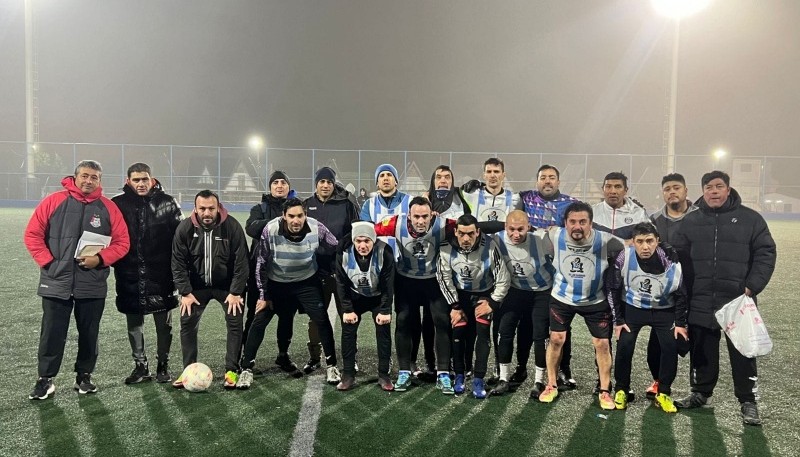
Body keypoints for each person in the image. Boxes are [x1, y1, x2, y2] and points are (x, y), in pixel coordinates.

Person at [672, 171, 776, 426]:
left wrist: (752, 287)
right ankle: (701, 393)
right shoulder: (691, 221)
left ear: (728, 190)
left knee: (743, 352)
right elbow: (678, 256)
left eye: (719, 186)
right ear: (703, 191)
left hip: (738, 300)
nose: (714, 191)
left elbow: (766, 253)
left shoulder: (751, 219)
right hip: (701, 297)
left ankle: (748, 401)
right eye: (709, 187)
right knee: (702, 350)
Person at [25, 160, 130, 400]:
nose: (89, 181)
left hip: (91, 283)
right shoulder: (53, 201)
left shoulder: (108, 208)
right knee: (51, 333)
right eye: (84, 175)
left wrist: (101, 259)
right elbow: (33, 234)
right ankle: (45, 379)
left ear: (99, 181)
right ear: (75, 177)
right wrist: (50, 263)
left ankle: (84, 376)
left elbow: (122, 243)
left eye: (94, 177)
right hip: (56, 281)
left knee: (89, 333)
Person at [237, 198, 341, 389]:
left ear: (305, 215)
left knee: (321, 319)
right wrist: (263, 295)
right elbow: (260, 262)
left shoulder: (317, 227)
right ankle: (246, 368)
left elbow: (337, 246)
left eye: (300, 216)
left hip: (306, 282)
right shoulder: (271, 229)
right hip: (277, 283)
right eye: (291, 216)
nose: (296, 220)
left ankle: (332, 366)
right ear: (284, 216)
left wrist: (334, 267)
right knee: (259, 320)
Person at [537, 202, 623, 411]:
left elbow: (629, 247)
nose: (577, 226)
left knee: (602, 343)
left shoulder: (605, 240)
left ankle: (604, 390)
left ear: (591, 223)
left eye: (583, 222)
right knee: (556, 339)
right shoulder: (554, 235)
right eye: (572, 222)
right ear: (565, 223)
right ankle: (551, 384)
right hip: (562, 298)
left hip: (595, 300)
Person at [373, 197, 457, 394]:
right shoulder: (396, 223)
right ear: (408, 215)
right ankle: (404, 371)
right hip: (406, 280)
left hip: (433, 281)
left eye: (425, 216)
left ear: (432, 215)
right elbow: (369, 231)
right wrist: (346, 242)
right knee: (403, 321)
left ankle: (443, 373)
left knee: (441, 321)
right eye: (416, 216)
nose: (421, 221)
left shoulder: (444, 225)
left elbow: (473, 226)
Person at [112, 162, 183, 385]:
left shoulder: (168, 203)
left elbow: (180, 239)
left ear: (152, 180)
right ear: (128, 181)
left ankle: (163, 364)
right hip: (129, 273)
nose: (141, 184)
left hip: (161, 275)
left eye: (145, 179)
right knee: (134, 323)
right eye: (136, 180)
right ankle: (140, 366)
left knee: (164, 324)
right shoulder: (117, 204)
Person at [605, 222, 688, 413]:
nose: (645, 246)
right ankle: (621, 390)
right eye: (640, 241)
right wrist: (618, 320)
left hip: (663, 309)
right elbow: (612, 287)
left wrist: (680, 323)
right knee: (625, 345)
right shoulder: (624, 256)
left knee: (670, 346)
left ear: (657, 241)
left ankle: (664, 392)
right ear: (632, 242)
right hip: (633, 309)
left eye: (650, 241)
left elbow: (681, 294)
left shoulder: (671, 262)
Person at [171, 190, 249, 390]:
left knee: (234, 323)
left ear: (218, 207)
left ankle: (231, 370)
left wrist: (236, 292)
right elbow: (177, 263)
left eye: (211, 208)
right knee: (187, 324)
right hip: (195, 288)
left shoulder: (231, 226)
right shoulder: (184, 229)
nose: (207, 212)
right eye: (202, 208)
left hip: (227, 288)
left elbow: (242, 263)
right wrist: (185, 292)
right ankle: (188, 370)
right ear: (195, 208)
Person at [515, 164, 578, 389]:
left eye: (552, 177)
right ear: (537, 181)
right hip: (529, 272)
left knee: (560, 326)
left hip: (559, 274)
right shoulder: (524, 197)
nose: (547, 181)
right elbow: (499, 197)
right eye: (543, 177)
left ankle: (564, 369)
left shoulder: (571, 203)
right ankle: (521, 368)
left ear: (558, 182)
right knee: (526, 323)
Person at [438, 214, 511, 399]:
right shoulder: (446, 248)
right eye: (461, 233)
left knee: (482, 333)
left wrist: (492, 303)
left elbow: (503, 278)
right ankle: (460, 376)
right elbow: (443, 277)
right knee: (458, 332)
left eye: (470, 234)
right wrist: (454, 305)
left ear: (478, 232)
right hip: (459, 297)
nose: (465, 238)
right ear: (455, 232)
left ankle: (479, 378)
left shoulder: (490, 246)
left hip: (483, 296)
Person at [642, 173, 698, 398]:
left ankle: (700, 388)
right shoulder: (654, 220)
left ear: (686, 191)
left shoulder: (700, 217)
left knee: (698, 338)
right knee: (660, 340)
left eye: (677, 187)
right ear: (662, 193)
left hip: (697, 288)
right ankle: (659, 381)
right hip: (665, 290)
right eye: (667, 189)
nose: (672, 192)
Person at [302, 167, 360, 375]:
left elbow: (356, 230)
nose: (325, 185)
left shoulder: (346, 203)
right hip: (316, 271)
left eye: (329, 181)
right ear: (315, 184)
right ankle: (314, 357)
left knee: (348, 314)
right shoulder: (307, 205)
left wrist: (342, 250)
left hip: (343, 269)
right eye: (321, 181)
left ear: (334, 184)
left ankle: (350, 358)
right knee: (316, 316)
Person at [491, 210, 553, 397]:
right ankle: (503, 378)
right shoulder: (497, 239)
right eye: (511, 229)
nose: (516, 234)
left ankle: (539, 381)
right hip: (515, 290)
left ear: (528, 227)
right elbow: (477, 228)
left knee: (539, 335)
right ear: (505, 227)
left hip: (542, 292)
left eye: (521, 229)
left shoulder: (542, 240)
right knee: (505, 330)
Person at [242, 171, 299, 376]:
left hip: (287, 273)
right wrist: (278, 223)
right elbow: (251, 228)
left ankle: (283, 355)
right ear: (270, 187)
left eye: (284, 182)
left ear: (288, 187)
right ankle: (245, 358)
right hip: (261, 274)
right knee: (255, 315)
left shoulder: (296, 209)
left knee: (286, 317)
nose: (279, 185)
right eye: (275, 182)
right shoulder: (260, 208)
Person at [334, 222, 395, 391]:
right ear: (353, 240)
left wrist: (384, 310)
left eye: (367, 241)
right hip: (355, 297)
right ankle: (348, 374)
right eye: (358, 241)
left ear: (374, 240)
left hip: (378, 297)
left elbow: (388, 285)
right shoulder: (343, 253)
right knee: (348, 330)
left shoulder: (385, 252)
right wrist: (347, 309)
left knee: (383, 332)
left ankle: (384, 375)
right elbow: (340, 283)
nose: (362, 245)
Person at [360, 163, 410, 255]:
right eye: (382, 175)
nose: (386, 178)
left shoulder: (410, 202)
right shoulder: (369, 205)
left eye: (389, 175)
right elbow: (365, 233)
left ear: (396, 181)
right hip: (379, 260)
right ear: (377, 183)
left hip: (405, 263)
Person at [592, 171, 649, 240]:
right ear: (603, 190)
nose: (613, 191)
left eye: (618, 187)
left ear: (625, 190)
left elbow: (648, 240)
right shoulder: (591, 212)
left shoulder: (639, 214)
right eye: (608, 187)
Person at [462, 158, 519, 223]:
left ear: (503, 175)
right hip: (479, 233)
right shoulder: (472, 195)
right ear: (484, 175)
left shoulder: (514, 199)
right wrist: (463, 188)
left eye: (496, 171)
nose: (492, 175)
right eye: (489, 172)